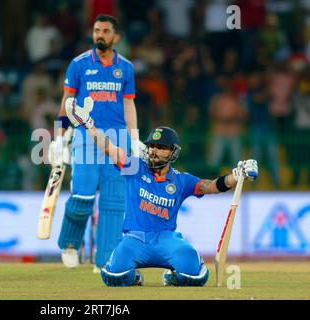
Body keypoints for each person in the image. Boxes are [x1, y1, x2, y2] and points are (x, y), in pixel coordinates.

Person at [64, 96, 258, 287]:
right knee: (114, 276)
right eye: (152, 146)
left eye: (161, 147)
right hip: (135, 239)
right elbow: (109, 148)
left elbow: (213, 186)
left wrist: (237, 174)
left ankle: (172, 276)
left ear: (172, 152)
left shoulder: (182, 180)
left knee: (195, 276)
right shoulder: (134, 167)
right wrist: (88, 124)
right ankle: (134, 277)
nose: (154, 150)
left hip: (166, 239)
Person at [48, 14, 142, 272]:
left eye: (105, 31)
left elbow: (128, 102)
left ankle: (107, 260)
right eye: (96, 30)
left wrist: (134, 138)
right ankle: (69, 244)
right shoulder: (78, 64)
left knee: (114, 202)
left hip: (118, 137)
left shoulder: (127, 67)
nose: (100, 35)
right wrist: (59, 137)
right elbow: (67, 102)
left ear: (116, 36)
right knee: (83, 196)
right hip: (86, 136)